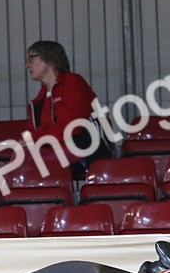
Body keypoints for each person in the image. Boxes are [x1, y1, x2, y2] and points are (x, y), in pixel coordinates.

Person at [25, 40, 110, 178]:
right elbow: (30, 131)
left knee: (32, 164)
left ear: (49, 60)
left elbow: (71, 127)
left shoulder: (73, 83)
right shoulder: (38, 100)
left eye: (32, 59)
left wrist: (34, 138)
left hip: (86, 152)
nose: (27, 65)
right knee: (23, 158)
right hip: (59, 152)